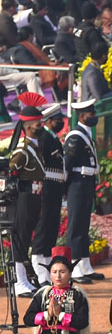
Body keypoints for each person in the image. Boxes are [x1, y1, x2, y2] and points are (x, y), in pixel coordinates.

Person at [8, 94, 48, 296]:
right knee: (20, 238)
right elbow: (12, 169)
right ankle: (18, 281)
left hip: (34, 196)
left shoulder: (34, 147)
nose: (41, 126)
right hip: (24, 197)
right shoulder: (23, 150)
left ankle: (25, 279)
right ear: (28, 125)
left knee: (26, 238)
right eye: (38, 123)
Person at [63, 99, 103, 284]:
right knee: (75, 227)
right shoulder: (75, 136)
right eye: (90, 114)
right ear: (82, 116)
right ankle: (73, 267)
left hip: (87, 182)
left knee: (84, 226)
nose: (94, 116)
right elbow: (67, 165)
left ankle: (85, 265)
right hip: (77, 184)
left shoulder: (85, 134)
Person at [30, 101, 67, 286]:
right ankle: (38, 271)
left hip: (55, 191)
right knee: (43, 230)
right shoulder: (44, 139)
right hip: (46, 190)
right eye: (57, 120)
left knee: (51, 230)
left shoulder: (51, 138)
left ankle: (45, 269)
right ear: (48, 121)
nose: (61, 123)